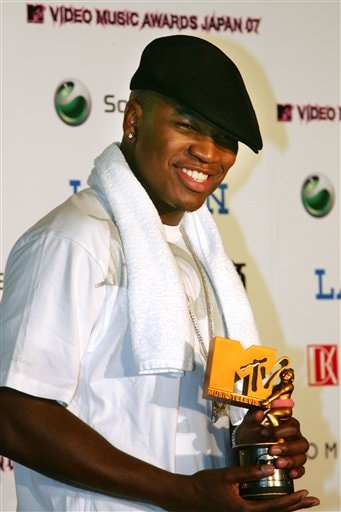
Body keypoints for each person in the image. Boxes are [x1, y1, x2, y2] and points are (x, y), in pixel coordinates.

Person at [0, 35, 319, 512]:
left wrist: (255, 439)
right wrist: (182, 493)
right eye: (188, 126)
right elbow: (16, 416)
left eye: (224, 140)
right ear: (134, 120)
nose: (209, 154)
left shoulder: (203, 258)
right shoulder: (74, 238)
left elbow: (188, 416)